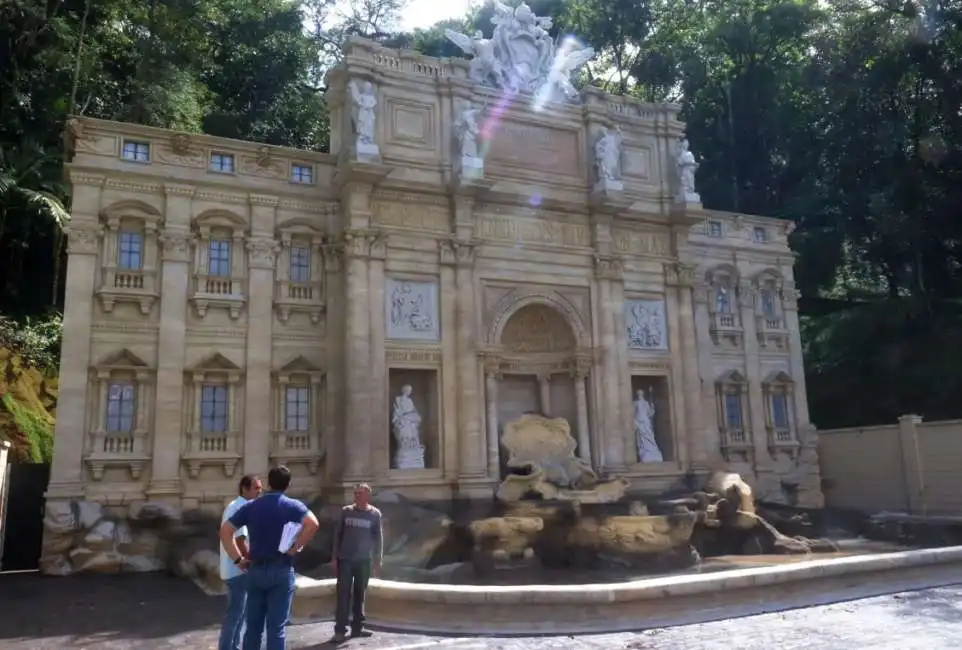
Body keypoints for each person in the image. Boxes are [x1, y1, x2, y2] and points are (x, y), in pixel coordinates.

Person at [219, 465, 319, 650]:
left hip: (256, 570)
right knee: (276, 628)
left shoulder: (252, 506)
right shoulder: (292, 505)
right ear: (287, 484)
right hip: (281, 569)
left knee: (253, 628)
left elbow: (225, 531)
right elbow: (312, 524)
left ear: (268, 484)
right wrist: (296, 547)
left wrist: (238, 559)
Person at [331, 483, 383, 643]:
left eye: (360, 493)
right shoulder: (346, 512)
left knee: (360, 594)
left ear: (368, 495)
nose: (357, 496)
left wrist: (378, 559)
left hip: (364, 561)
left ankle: (358, 628)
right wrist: (334, 557)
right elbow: (337, 535)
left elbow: (379, 538)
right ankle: (340, 629)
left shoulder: (375, 514)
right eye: (355, 493)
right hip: (345, 559)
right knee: (343, 594)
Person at [218, 475, 262, 650]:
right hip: (238, 570)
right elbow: (241, 540)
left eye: (260, 488)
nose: (259, 492)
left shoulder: (235, 505)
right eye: (256, 488)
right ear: (244, 489)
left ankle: (233, 646)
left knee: (240, 614)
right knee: (235, 615)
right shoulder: (241, 507)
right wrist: (250, 561)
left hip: (234, 569)